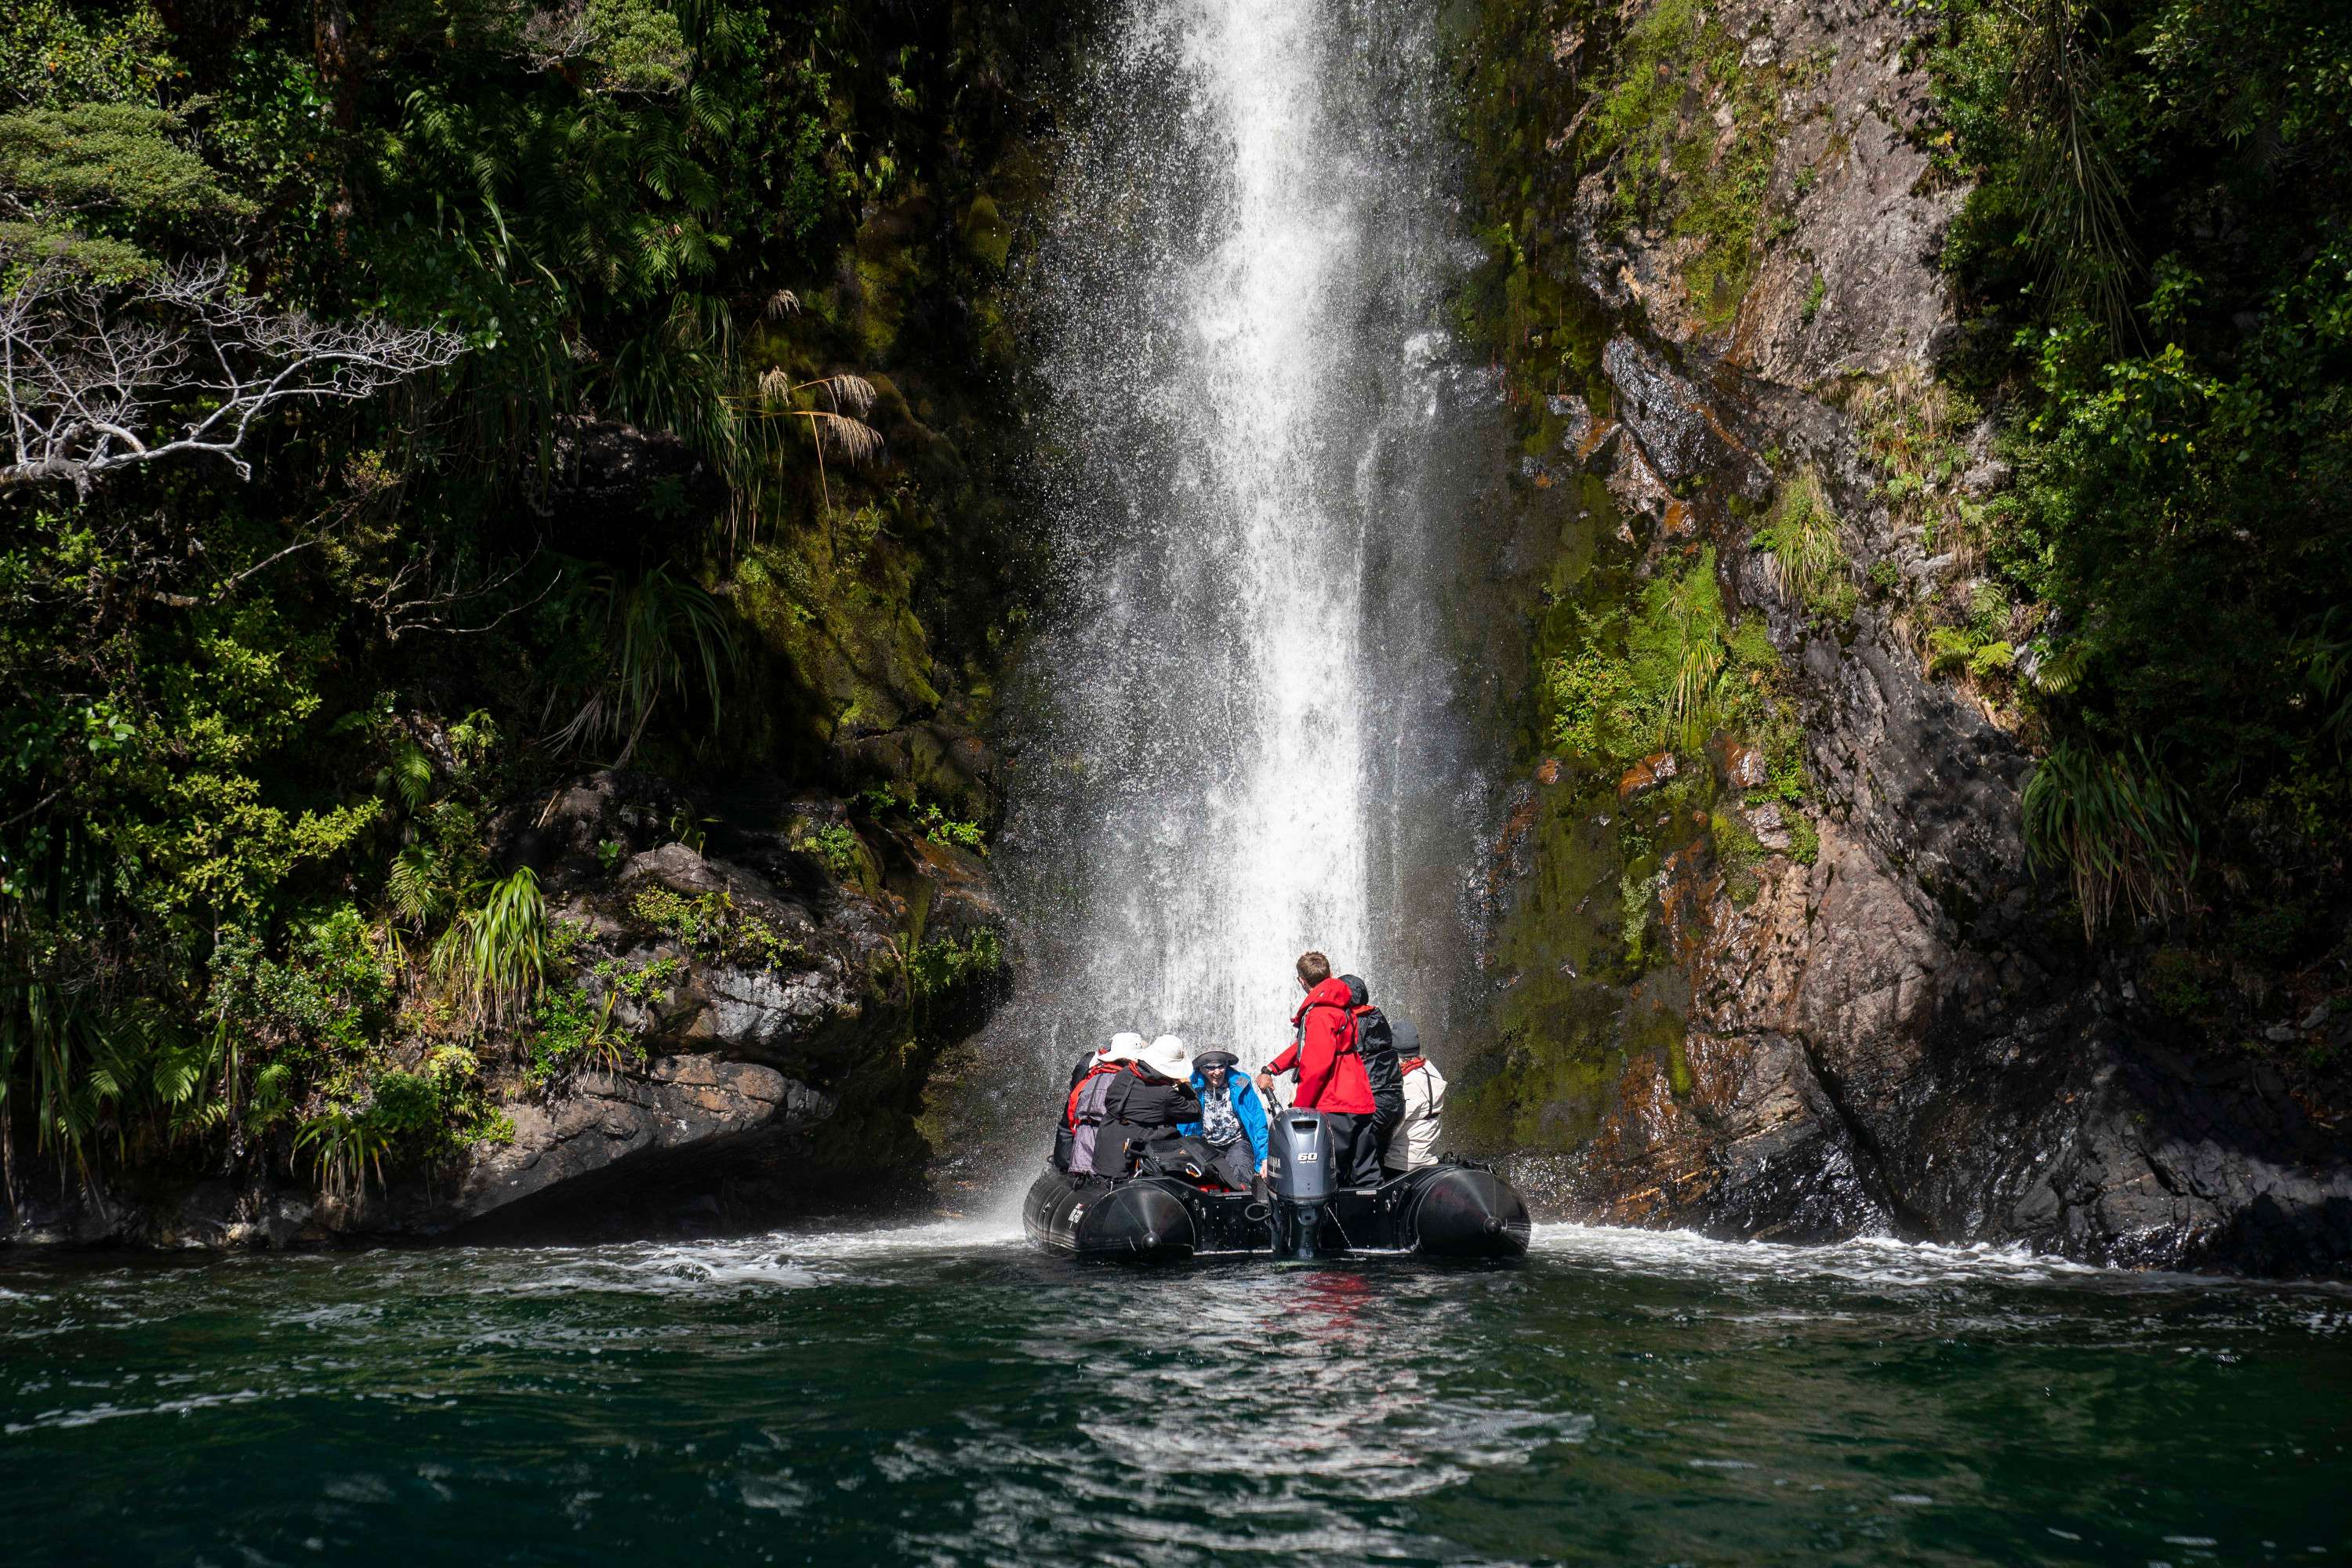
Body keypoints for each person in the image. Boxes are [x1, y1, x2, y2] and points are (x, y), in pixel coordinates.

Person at [1256, 950, 1378, 1188]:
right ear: (1330, 974)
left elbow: (1316, 1066)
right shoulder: (1342, 1004)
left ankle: (1331, 1225)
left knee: (1330, 1175)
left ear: (1302, 981)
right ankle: (1378, 1222)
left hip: (1335, 1103)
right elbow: (1308, 1046)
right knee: (1366, 1174)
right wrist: (1273, 1067)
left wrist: (1302, 1109)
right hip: (1360, 1098)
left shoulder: (1320, 1012)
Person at [1087, 1033, 1200, 1178]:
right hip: (1134, 1160)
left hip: (1106, 1152)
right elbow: (1195, 1112)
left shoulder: (1125, 1073)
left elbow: (1110, 1101)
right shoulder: (1165, 1094)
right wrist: (1185, 1084)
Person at [1339, 974, 1406, 1180]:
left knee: (1354, 1164)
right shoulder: (1377, 1017)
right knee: (1374, 1159)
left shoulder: (1353, 1022)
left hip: (1372, 1106)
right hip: (1395, 1104)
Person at [1178, 1049, 1269, 1192]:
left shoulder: (1241, 1084)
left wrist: (1264, 1158)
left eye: (1221, 1066)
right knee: (1200, 1178)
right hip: (1205, 1145)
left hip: (1237, 1142)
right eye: (1210, 1067)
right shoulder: (1192, 1087)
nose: (1217, 1072)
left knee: (1241, 1169)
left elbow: (1257, 1120)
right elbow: (1183, 1124)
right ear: (1201, 1069)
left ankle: (1242, 1205)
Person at [1055, 1032, 1143, 1172]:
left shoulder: (1087, 1080)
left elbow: (1069, 1122)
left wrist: (1064, 1164)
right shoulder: (1129, 1085)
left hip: (1079, 1158)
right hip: (1107, 1164)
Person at [1383, 1028, 1447, 1174]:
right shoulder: (1432, 1071)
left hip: (1400, 1164)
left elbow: (1389, 1129)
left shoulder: (1405, 1083)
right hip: (1430, 1160)